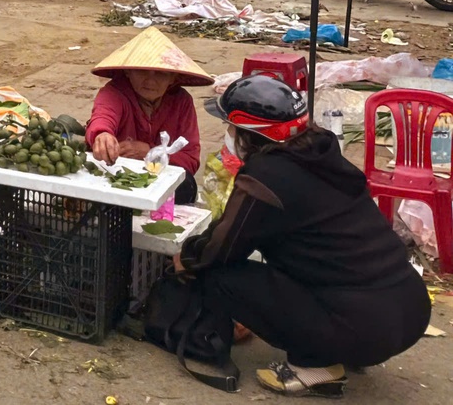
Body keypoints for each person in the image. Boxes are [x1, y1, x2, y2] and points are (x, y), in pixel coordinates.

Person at [178, 75, 431, 398]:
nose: (228, 136)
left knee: (220, 276)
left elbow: (222, 249)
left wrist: (187, 257)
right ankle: (343, 346)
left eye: (231, 128)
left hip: (364, 326)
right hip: (409, 309)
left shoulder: (266, 177)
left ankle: (315, 366)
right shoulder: (321, 150)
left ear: (248, 134)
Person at [85, 26, 214, 204]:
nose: (150, 80)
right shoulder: (114, 92)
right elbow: (103, 117)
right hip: (115, 174)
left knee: (187, 186)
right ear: (128, 72)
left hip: (160, 178)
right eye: (142, 71)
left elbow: (190, 160)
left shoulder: (182, 102)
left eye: (161, 74)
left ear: (173, 78)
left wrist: (149, 152)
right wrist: (102, 135)